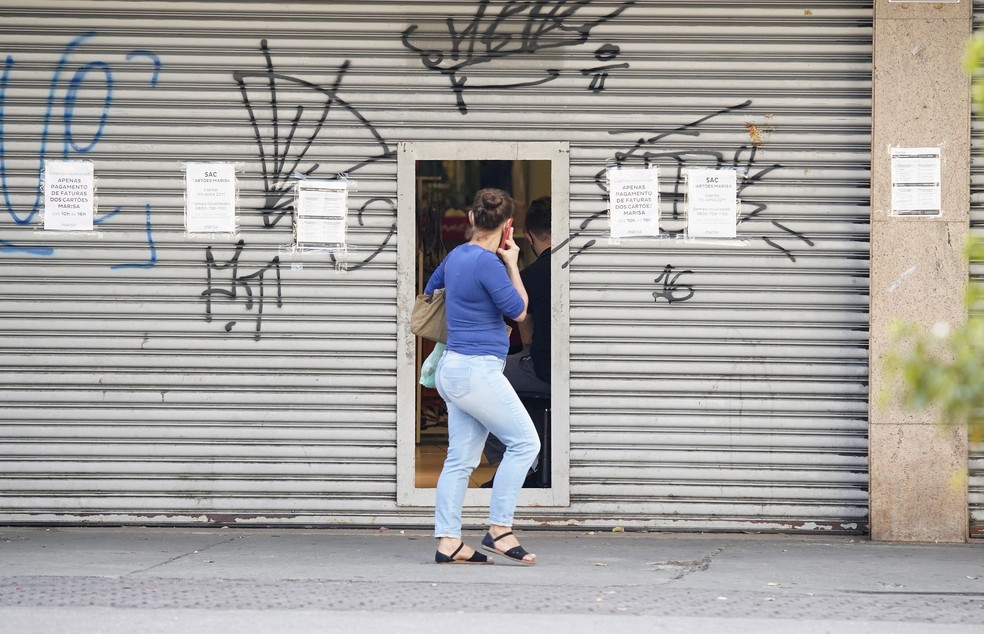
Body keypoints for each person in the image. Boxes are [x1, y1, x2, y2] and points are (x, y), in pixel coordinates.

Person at [427, 187, 540, 566]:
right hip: (476, 370)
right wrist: (512, 262)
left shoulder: (457, 255)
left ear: (473, 219)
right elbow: (519, 311)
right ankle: (499, 529)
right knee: (525, 443)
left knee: (460, 460)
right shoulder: (489, 264)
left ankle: (449, 542)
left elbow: (431, 290)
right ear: (508, 226)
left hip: (452, 369)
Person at [483, 196, 552, 476]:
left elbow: (526, 338)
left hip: (544, 373)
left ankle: (510, 467)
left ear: (529, 237)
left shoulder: (530, 276)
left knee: (478, 380)